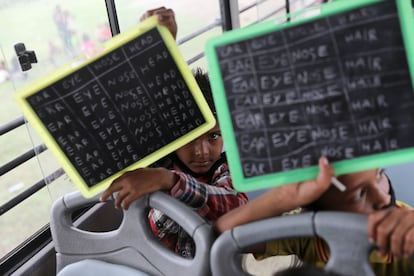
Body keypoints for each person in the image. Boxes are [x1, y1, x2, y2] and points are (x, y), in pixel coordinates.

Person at [100, 67, 248, 258]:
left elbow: (237, 206)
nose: (203, 151)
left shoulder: (226, 169)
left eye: (214, 136)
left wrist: (171, 182)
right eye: (190, 137)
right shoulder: (151, 168)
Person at [215, 157, 414, 276]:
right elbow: (224, 235)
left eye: (380, 174)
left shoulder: (406, 230)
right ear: (317, 212)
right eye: (359, 194)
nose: (383, 196)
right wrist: (283, 197)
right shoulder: (306, 232)